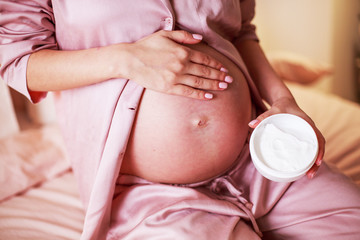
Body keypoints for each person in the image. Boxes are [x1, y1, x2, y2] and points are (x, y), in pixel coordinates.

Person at [1, 0, 360, 239]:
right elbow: (17, 62)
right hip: (150, 191)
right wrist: (125, 60)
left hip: (262, 158)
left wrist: (284, 100)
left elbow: (241, 33)